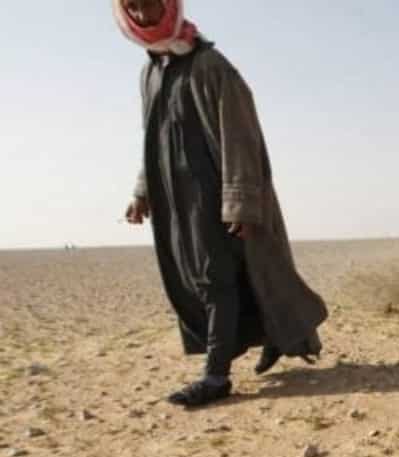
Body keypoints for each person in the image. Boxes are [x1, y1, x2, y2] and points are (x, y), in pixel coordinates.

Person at [116, 0, 327, 408]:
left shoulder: (211, 66)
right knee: (212, 278)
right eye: (132, 6)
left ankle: (216, 376)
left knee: (218, 279)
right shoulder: (150, 73)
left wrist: (241, 202)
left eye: (150, 3)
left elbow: (241, 138)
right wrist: (143, 191)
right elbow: (151, 137)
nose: (143, 12)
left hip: (215, 195)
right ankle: (277, 338)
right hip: (175, 199)